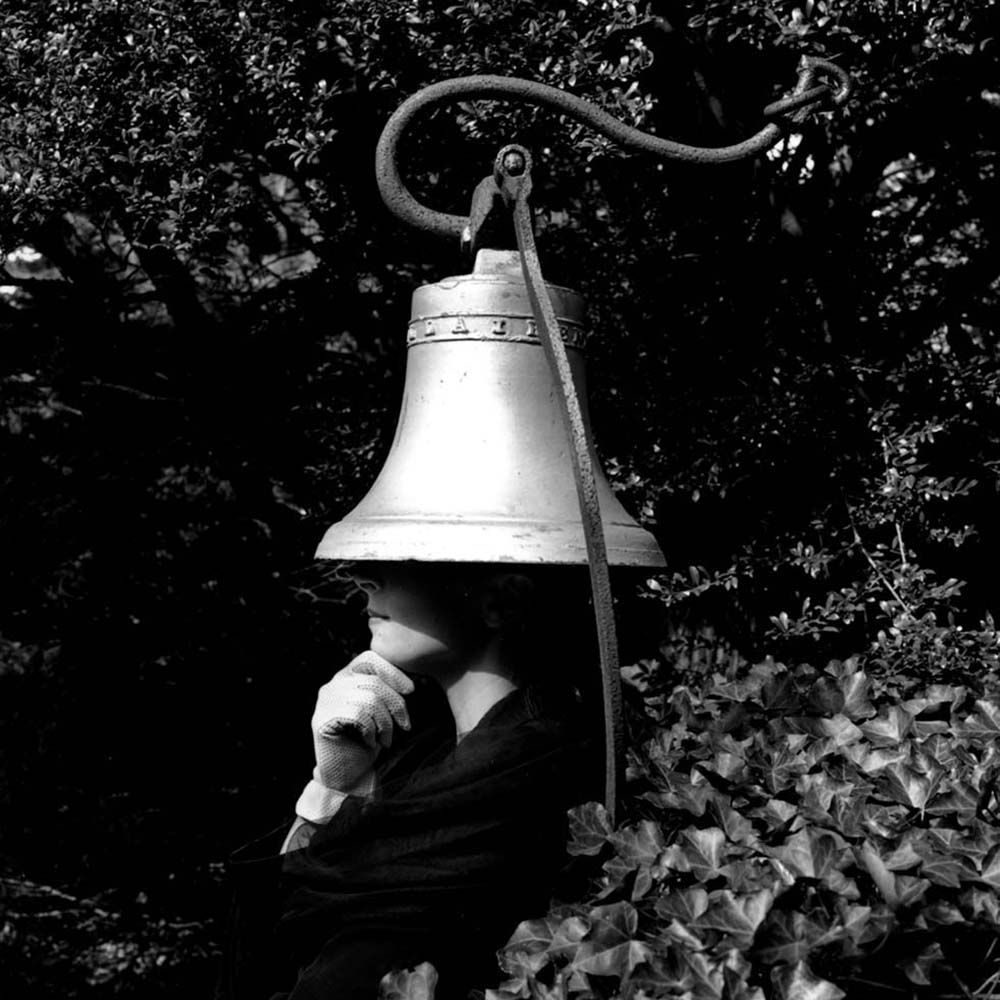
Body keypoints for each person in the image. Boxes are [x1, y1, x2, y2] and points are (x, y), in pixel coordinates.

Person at [223, 560, 600, 1000]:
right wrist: (332, 784)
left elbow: (330, 946)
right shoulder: (433, 750)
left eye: (404, 554)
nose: (360, 575)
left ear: (502, 600)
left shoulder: (522, 770)